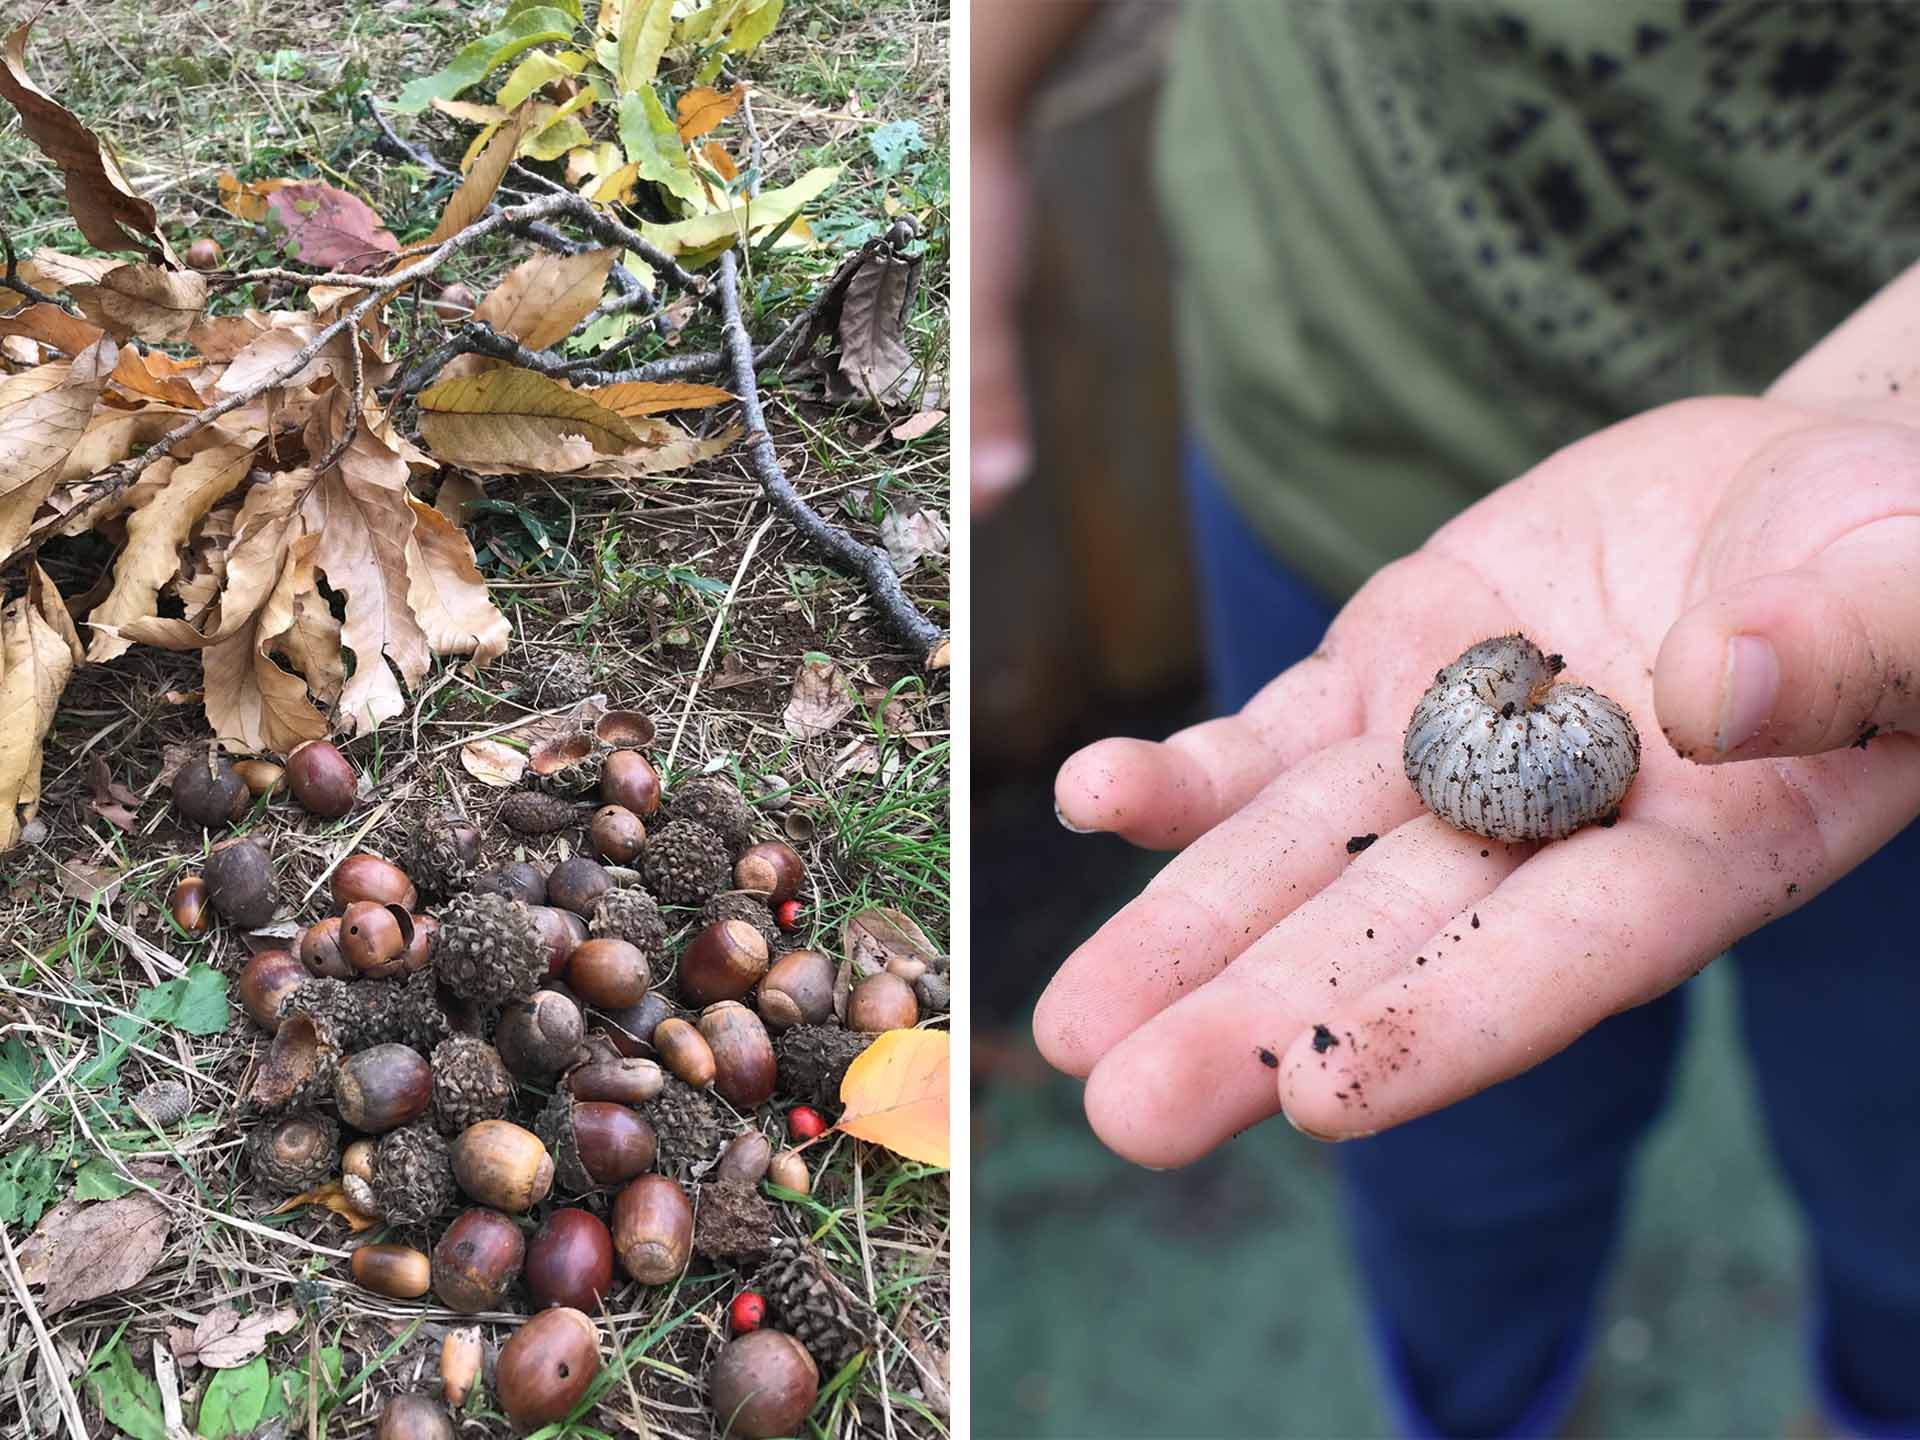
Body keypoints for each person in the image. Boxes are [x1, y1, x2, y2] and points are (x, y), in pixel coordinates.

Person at [978, 3, 1920, 1436]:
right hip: (1330, 409)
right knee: (1453, 1154)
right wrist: (982, 92)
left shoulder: (1522, 727)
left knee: (1896, 1152)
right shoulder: (1515, 700)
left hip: (1877, 537)